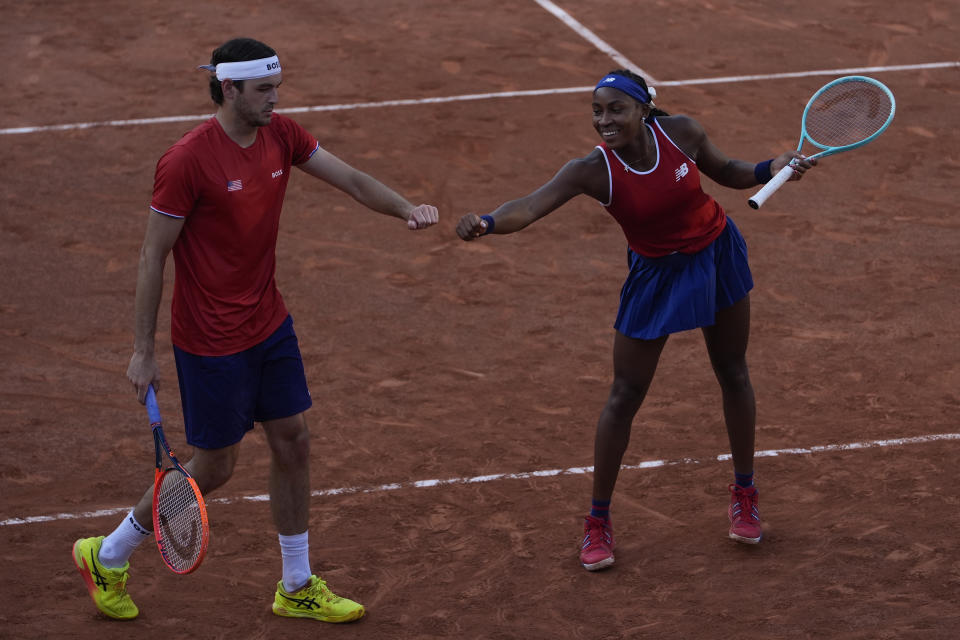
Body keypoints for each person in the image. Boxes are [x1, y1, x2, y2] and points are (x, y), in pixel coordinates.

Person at [72, 37, 438, 621]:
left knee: (292, 438)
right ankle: (108, 552)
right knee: (214, 466)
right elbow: (150, 257)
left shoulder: (282, 135)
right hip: (210, 339)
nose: (275, 98)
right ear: (229, 89)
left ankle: (296, 583)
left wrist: (405, 208)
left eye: (277, 87)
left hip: (268, 322)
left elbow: (351, 179)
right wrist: (143, 351)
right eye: (264, 89)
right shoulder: (187, 160)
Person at [456, 69, 815, 571]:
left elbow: (728, 170)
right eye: (597, 111)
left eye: (614, 109)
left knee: (733, 372)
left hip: (716, 254)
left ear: (643, 110)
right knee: (625, 394)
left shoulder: (682, 132)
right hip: (656, 276)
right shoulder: (592, 170)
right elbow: (530, 206)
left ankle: (745, 493)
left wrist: (771, 166)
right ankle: (597, 521)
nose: (604, 120)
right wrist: (489, 222)